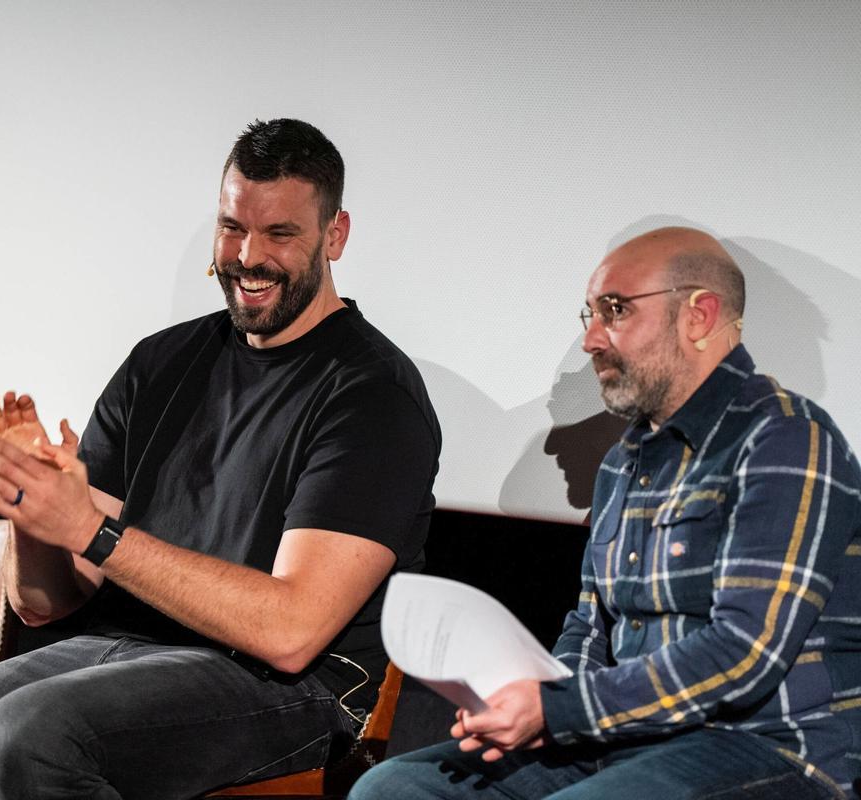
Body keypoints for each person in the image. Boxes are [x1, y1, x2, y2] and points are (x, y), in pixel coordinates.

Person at [0, 118, 441, 800]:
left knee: (30, 733)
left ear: (334, 235)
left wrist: (92, 531)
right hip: (120, 654)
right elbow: (43, 602)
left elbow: (289, 631)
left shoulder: (372, 396)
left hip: (290, 689)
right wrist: (36, 510)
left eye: (280, 234)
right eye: (232, 227)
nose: (248, 256)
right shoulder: (160, 363)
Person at [350, 226, 861, 799]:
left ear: (699, 315)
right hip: (622, 736)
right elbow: (593, 627)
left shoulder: (786, 439)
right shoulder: (624, 463)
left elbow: (745, 651)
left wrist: (558, 708)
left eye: (614, 310)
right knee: (394, 788)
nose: (593, 339)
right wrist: (532, 700)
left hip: (764, 745)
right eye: (589, 315)